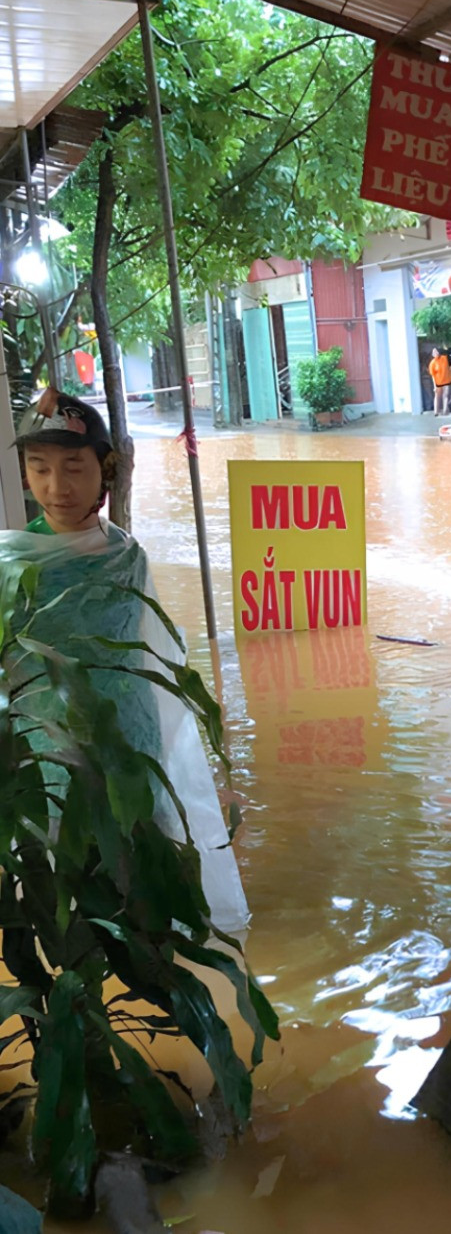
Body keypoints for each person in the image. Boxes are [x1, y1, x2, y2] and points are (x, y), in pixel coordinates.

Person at [3, 390, 249, 933]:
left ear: (104, 473)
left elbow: (155, 656)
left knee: (141, 879)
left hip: (130, 741)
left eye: (74, 468)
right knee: (65, 880)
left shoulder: (124, 554)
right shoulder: (10, 561)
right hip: (47, 745)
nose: (56, 487)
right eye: (39, 469)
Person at [428, 346, 451, 414]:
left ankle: (445, 410)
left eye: (436, 351)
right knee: (437, 396)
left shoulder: (444, 358)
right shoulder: (432, 363)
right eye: (433, 352)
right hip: (438, 382)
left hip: (446, 381)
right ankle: (436, 411)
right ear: (432, 354)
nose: (435, 353)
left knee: (445, 395)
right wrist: (434, 386)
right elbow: (433, 375)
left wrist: (450, 368)